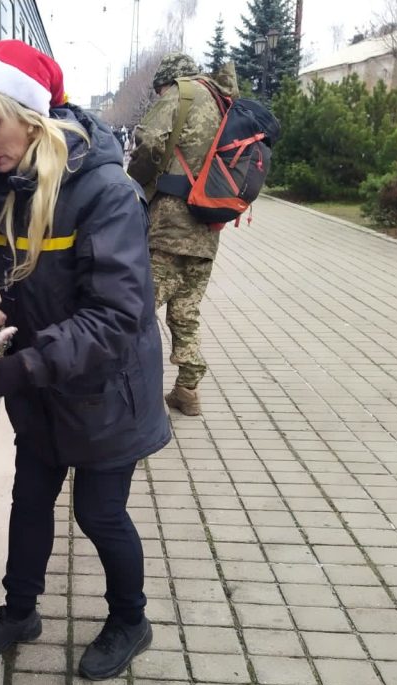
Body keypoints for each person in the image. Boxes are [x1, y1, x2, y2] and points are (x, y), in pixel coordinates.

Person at [0, 40, 171, 681]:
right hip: (43, 384)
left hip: (106, 391)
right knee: (28, 499)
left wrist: (11, 371)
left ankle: (130, 620)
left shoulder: (103, 190)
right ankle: (20, 611)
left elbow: (116, 317)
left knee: (99, 513)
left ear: (31, 115)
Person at [127, 54, 238, 417]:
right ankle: (187, 389)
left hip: (170, 223)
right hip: (209, 223)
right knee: (186, 309)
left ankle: (130, 390)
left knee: (138, 306)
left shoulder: (181, 93)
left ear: (167, 80)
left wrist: (135, 182)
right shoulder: (224, 101)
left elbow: (148, 140)